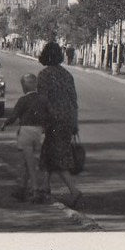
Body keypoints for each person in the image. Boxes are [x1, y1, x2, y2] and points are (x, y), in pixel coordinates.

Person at [37, 41, 81, 206]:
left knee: (57, 156)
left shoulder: (44, 75)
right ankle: (44, 187)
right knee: (48, 152)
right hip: (67, 119)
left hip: (53, 120)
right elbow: (74, 101)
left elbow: (43, 100)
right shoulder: (67, 75)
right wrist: (75, 123)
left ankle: (74, 191)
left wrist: (41, 121)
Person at [2, 73, 51, 202]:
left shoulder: (23, 100)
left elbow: (14, 117)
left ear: (24, 86)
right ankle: (22, 189)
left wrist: (5, 124)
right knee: (29, 161)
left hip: (26, 132)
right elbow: (49, 116)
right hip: (39, 132)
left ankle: (35, 190)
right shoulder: (43, 99)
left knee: (29, 163)